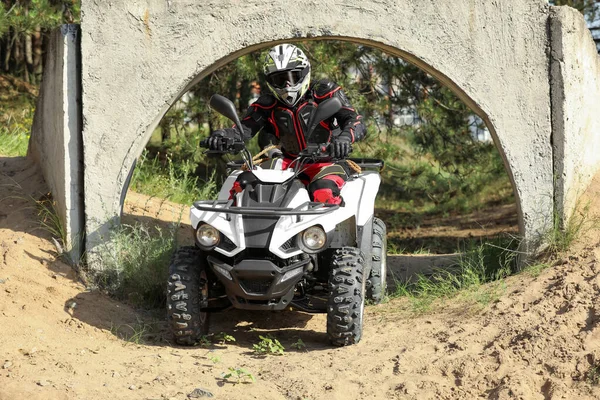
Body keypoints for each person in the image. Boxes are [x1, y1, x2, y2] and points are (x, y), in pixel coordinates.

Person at [207, 43, 366, 205]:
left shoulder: (325, 92)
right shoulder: (267, 104)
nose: (287, 85)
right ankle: (229, 228)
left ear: (305, 73)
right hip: (288, 163)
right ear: (270, 81)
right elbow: (244, 129)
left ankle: (327, 231)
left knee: (323, 192)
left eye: (293, 77)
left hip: (327, 163)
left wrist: (345, 138)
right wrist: (222, 136)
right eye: (280, 80)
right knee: (242, 183)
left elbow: (355, 120)